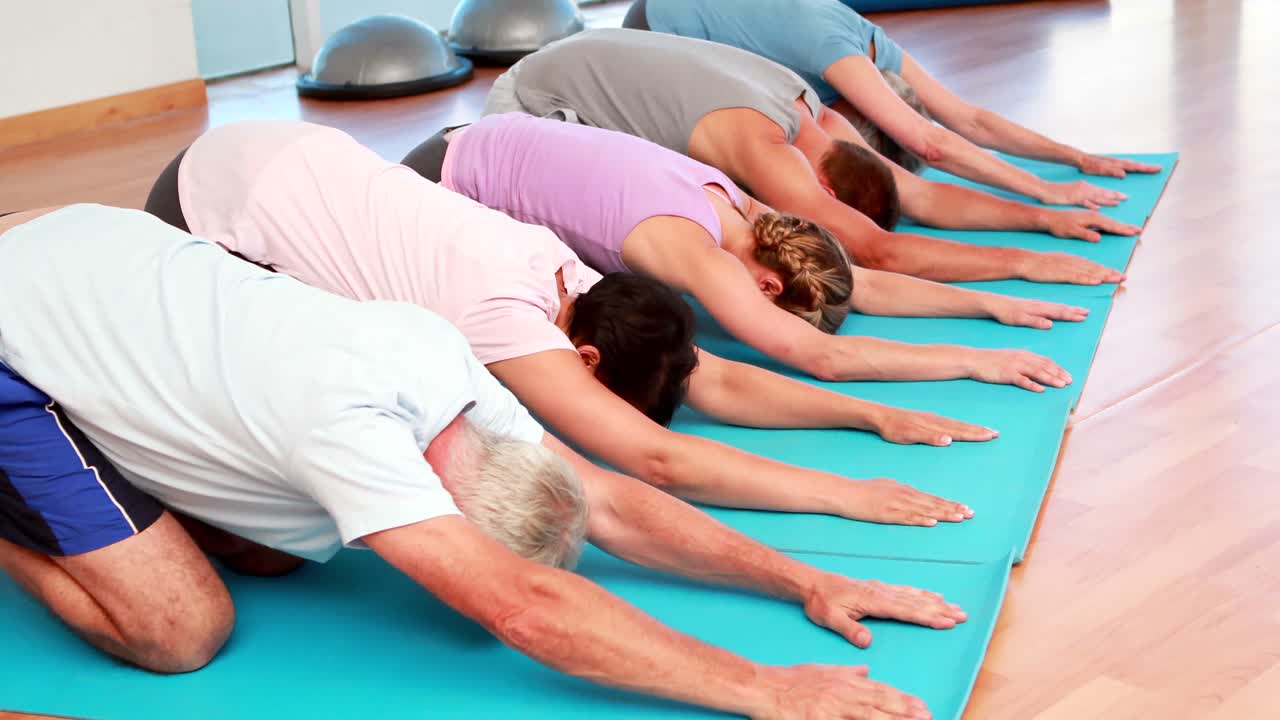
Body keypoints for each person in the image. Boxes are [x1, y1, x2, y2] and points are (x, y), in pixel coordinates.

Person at [0, 204, 962, 718]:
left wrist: (804, 579)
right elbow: (520, 606)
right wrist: (763, 688)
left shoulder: (439, 360)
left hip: (101, 246)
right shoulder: (345, 432)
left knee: (272, 551)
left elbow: (608, 502)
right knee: (179, 630)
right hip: (19, 314)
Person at [145, 119, 983, 525]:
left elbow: (716, 380)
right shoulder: (504, 317)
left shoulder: (568, 271)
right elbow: (654, 458)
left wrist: (868, 414)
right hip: (204, 203)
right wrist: (845, 495)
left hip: (287, 145)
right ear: (582, 358)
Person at [406, 111, 1082, 390]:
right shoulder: (693, 249)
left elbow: (858, 281)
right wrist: (974, 362)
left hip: (479, 135)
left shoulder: (741, 210)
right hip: (436, 179)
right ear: (766, 288)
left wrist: (990, 301)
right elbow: (818, 357)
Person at [484, 28, 1140, 285]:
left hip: (587, 57)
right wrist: (1025, 264)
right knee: (642, 245)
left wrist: (1044, 217)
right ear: (824, 190)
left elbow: (919, 194)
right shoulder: (765, 145)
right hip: (531, 101)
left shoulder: (817, 117)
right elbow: (878, 251)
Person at [626, 0, 1162, 194]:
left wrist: (1074, 158)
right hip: (652, 33)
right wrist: (1044, 194)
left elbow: (969, 119)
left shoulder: (873, 45)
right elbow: (930, 143)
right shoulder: (834, 51)